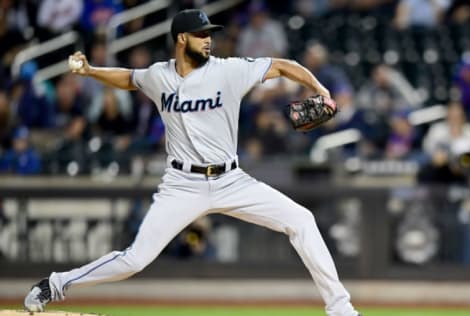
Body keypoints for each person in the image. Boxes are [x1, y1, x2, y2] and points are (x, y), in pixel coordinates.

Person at [24, 9, 361, 316]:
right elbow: (128, 78)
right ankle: (54, 284)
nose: (209, 39)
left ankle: (341, 309)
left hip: (231, 180)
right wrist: (91, 71)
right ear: (182, 39)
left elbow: (283, 65)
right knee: (134, 259)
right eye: (202, 34)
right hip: (182, 185)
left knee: (301, 219)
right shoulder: (159, 76)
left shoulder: (230, 70)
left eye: (210, 33)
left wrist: (320, 88)